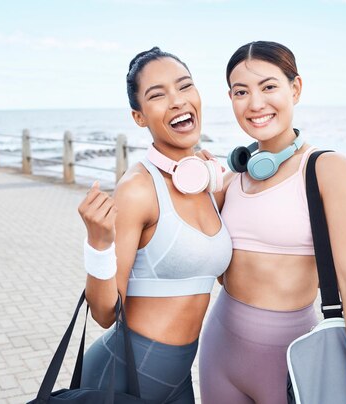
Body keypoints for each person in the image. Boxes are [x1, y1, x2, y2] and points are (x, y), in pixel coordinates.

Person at [199, 41, 346, 404]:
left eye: (269, 87)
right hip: (219, 350)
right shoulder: (231, 178)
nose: (255, 104)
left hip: (291, 358)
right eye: (242, 92)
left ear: (295, 88)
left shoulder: (326, 169)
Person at [77, 47, 232, 403]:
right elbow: (104, 314)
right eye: (158, 95)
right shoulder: (137, 189)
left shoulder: (210, 184)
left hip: (178, 378)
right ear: (139, 116)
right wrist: (98, 244)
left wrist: (332, 265)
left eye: (184, 86)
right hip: (122, 376)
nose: (177, 101)